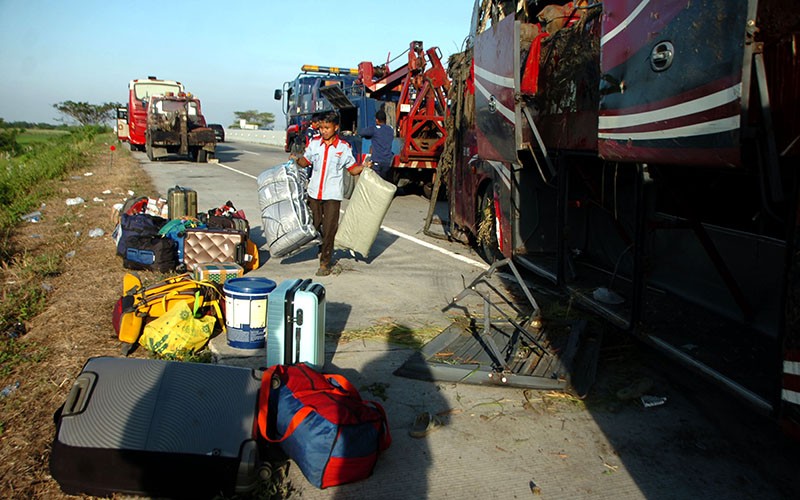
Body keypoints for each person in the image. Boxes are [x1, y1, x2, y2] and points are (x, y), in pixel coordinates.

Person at [294, 112, 363, 276]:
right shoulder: (314, 144)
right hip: (314, 193)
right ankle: (321, 246)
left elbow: (353, 170)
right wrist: (295, 159)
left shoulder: (343, 148)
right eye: (322, 128)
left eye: (327, 128)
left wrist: (365, 167)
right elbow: (305, 162)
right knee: (315, 225)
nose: (323, 131)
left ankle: (325, 262)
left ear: (336, 127)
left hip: (332, 195)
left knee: (330, 228)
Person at [358, 109, 394, 180]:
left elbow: (361, 133)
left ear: (377, 120)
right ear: (385, 120)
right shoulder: (390, 130)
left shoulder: (374, 129)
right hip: (387, 162)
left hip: (377, 162)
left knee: (375, 183)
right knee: (384, 182)